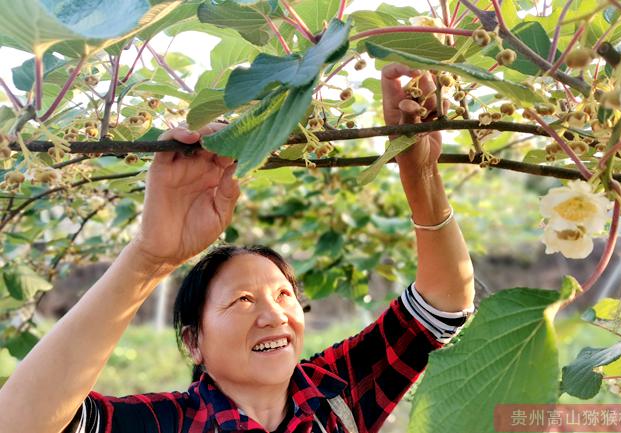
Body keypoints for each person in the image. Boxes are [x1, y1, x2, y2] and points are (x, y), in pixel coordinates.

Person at [0, 64, 475, 433]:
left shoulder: (335, 395)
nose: (274, 316)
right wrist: (149, 258)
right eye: (243, 301)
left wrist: (420, 174)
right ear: (193, 342)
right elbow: (21, 422)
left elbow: (442, 306)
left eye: (284, 295)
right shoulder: (167, 423)